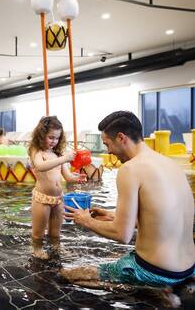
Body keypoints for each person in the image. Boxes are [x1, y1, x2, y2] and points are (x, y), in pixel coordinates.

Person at [62, 111, 194, 288]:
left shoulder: (130, 169)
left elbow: (122, 235)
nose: (108, 150)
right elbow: (163, 220)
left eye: (107, 144)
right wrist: (111, 215)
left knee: (68, 275)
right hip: (188, 268)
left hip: (155, 272)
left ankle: (152, 293)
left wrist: (85, 220)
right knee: (113, 259)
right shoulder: (170, 164)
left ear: (121, 137)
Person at [29, 116, 87, 260]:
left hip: (58, 198)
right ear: (41, 135)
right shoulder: (37, 152)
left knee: (55, 232)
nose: (54, 141)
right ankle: (37, 248)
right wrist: (64, 159)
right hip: (42, 198)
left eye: (57, 138)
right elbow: (39, 167)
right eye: (51, 137)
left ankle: (56, 247)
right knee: (38, 232)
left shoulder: (57, 154)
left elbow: (67, 177)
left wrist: (76, 178)